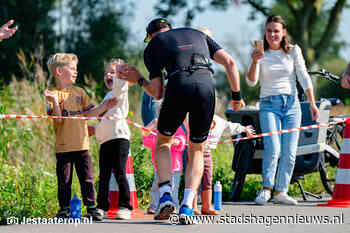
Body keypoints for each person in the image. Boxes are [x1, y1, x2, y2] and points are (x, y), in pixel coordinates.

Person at [117, 18, 244, 222]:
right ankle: (187, 205)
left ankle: (166, 194)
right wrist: (237, 97)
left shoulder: (153, 46)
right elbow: (230, 62)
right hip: (206, 87)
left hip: (178, 86)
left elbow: (157, 92)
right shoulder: (197, 34)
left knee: (163, 142)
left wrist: (139, 79)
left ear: (149, 36)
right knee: (197, 149)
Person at [246, 15, 319, 205]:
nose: (272, 34)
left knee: (289, 151)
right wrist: (254, 61)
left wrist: (311, 103)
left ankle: (281, 191)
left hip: (292, 105)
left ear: (283, 32)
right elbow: (251, 81)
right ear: (265, 32)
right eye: (269, 30)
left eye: (276, 31)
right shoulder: (260, 52)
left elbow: (303, 77)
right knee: (273, 147)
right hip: (269, 104)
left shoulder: (294, 51)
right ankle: (266, 189)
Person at [44, 53, 118, 221]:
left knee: (87, 178)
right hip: (63, 147)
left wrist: (103, 106)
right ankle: (64, 209)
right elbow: (57, 119)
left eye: (76, 69)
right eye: (72, 69)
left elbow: (89, 114)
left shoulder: (80, 92)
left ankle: (91, 208)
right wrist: (55, 102)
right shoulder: (52, 94)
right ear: (59, 71)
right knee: (64, 180)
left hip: (82, 145)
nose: (76, 72)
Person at [88, 58, 134, 220]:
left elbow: (120, 85)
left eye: (112, 72)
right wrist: (95, 129)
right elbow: (104, 117)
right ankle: (101, 207)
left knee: (120, 172)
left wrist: (121, 75)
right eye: (106, 72)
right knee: (104, 174)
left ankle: (125, 206)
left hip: (120, 138)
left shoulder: (120, 90)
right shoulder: (107, 96)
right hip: (105, 141)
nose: (108, 75)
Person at [192, 114, 254, 215]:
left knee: (207, 179)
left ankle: (206, 206)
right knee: (194, 180)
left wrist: (244, 129)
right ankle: (193, 206)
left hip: (207, 153)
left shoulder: (218, 120)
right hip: (194, 152)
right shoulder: (193, 115)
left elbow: (230, 127)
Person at [143, 117, 186, 216]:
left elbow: (182, 140)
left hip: (174, 167)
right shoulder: (156, 126)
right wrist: (150, 129)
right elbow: (146, 141)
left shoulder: (177, 125)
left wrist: (176, 141)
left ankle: (174, 206)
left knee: (173, 188)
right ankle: (154, 206)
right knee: (156, 187)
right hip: (159, 167)